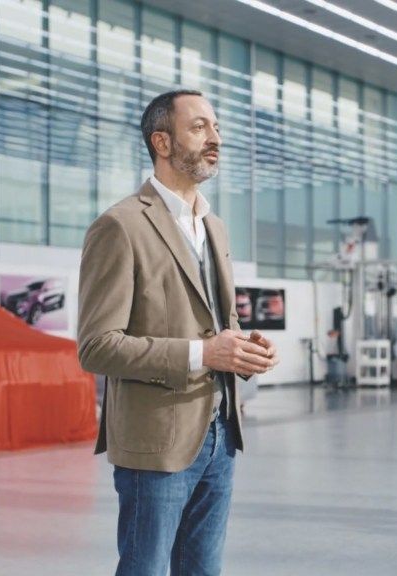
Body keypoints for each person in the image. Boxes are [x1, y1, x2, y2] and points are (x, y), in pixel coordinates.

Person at [77, 89, 279, 576]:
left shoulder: (214, 227)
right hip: (156, 444)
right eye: (199, 127)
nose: (215, 138)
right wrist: (204, 353)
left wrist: (244, 349)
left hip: (220, 437)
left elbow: (217, 324)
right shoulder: (120, 226)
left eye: (216, 127)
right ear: (162, 142)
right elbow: (97, 347)